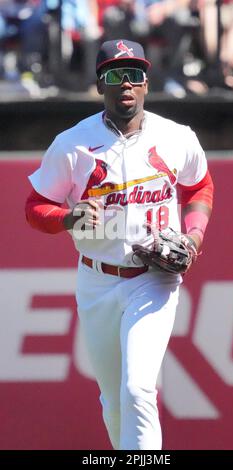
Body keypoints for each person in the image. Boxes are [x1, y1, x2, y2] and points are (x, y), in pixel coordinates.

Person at [25, 38, 214, 450]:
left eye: (134, 75)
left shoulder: (175, 136)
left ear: (146, 83)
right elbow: (36, 206)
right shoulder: (73, 144)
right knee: (113, 401)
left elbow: (199, 184)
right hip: (96, 280)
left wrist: (194, 234)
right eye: (115, 74)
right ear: (100, 85)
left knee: (138, 389)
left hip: (154, 278)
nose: (125, 84)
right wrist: (67, 218)